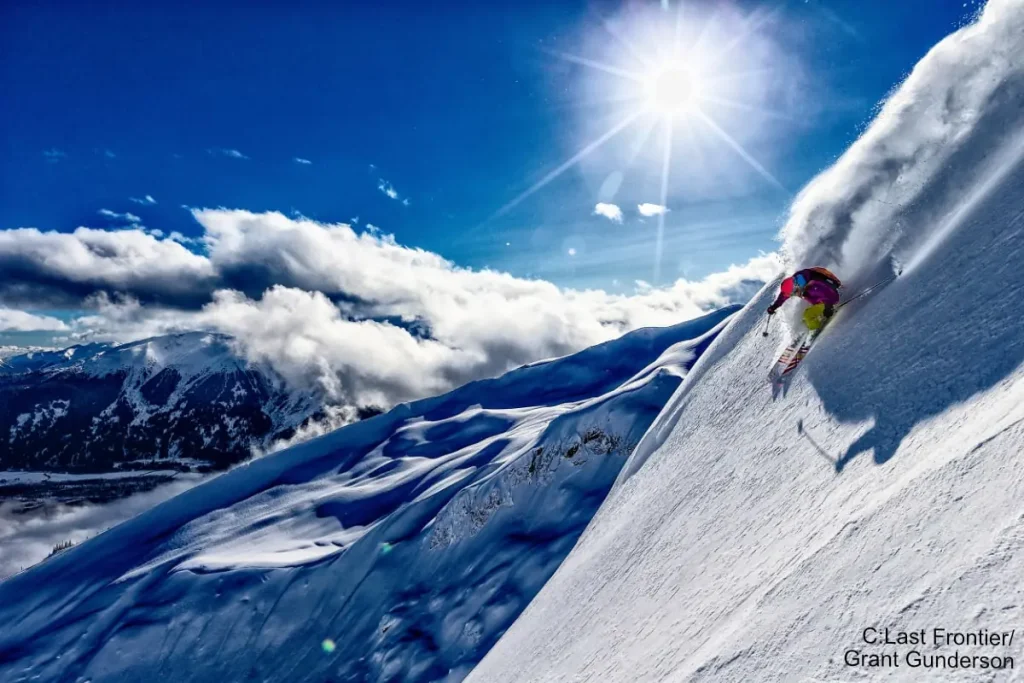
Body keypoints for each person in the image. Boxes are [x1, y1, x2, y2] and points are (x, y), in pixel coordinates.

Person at [767, 267, 842, 331]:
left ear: (797, 286)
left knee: (808, 315)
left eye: (795, 292)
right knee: (803, 320)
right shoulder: (796, 284)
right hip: (821, 301)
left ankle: (816, 328)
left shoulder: (814, 283)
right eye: (793, 294)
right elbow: (783, 296)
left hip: (830, 299)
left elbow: (827, 289)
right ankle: (817, 321)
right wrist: (774, 307)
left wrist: (828, 305)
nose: (796, 295)